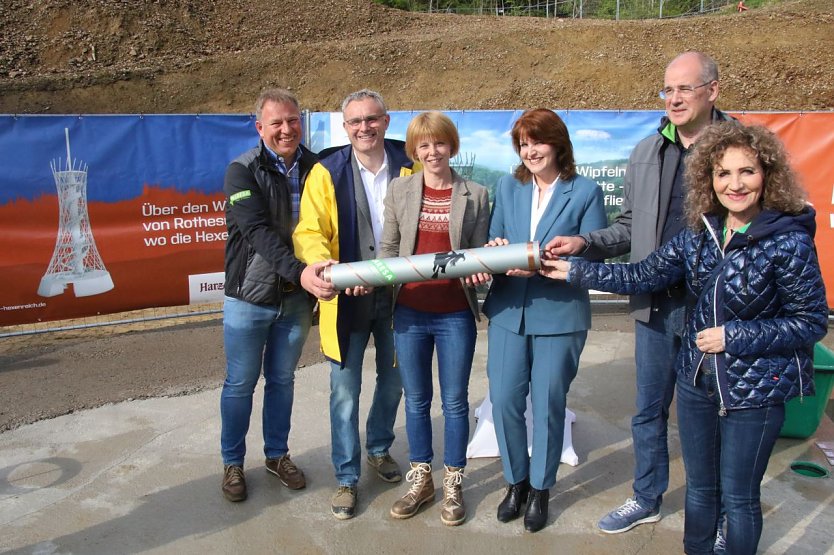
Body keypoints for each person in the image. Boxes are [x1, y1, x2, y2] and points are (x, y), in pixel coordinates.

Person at [540, 122, 828, 555]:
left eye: (746, 171)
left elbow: (810, 322)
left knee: (739, 499)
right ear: (707, 180)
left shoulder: (788, 240)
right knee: (700, 490)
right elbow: (642, 274)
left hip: (754, 391)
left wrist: (736, 336)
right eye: (723, 173)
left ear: (767, 173)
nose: (735, 184)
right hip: (697, 383)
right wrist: (576, 270)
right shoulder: (700, 233)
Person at [546, 51, 734, 536]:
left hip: (715, 313)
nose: (673, 98)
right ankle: (646, 497)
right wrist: (586, 243)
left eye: (684, 89)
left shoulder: (740, 149)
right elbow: (630, 227)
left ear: (712, 90)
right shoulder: (647, 152)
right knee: (648, 411)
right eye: (667, 90)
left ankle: (716, 513)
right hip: (656, 306)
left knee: (714, 419)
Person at [473, 108, 606, 532]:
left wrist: (562, 256)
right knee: (506, 400)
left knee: (549, 404)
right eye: (523, 143)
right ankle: (516, 481)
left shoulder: (584, 190)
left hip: (560, 313)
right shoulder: (508, 187)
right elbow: (494, 241)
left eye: (538, 141)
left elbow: (596, 250)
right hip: (510, 310)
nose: (531, 151)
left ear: (558, 143)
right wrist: (496, 251)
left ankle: (542, 487)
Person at [293, 89, 416, 520]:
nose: (364, 127)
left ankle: (379, 448)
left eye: (372, 119)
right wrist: (320, 263)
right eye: (355, 122)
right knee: (344, 391)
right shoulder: (326, 171)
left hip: (401, 297)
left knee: (396, 380)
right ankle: (346, 477)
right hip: (346, 300)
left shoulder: (411, 162)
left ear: (386, 120)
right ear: (345, 128)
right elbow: (309, 230)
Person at [220, 88, 337, 503]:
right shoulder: (241, 171)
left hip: (295, 301)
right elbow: (259, 236)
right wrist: (302, 273)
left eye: (293, 120)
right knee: (240, 383)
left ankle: (277, 456)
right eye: (276, 123)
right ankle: (233, 463)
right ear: (260, 128)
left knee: (282, 380)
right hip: (249, 298)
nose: (286, 130)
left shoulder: (317, 167)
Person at [378, 111, 489, 526]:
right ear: (414, 151)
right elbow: (388, 249)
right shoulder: (400, 189)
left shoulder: (475, 193)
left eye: (439, 143)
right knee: (418, 401)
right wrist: (372, 277)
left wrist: (482, 269)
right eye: (423, 145)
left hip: (455, 314)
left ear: (451, 145)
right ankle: (422, 479)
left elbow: (479, 254)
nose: (432, 152)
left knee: (456, 401)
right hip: (408, 313)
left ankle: (454, 482)